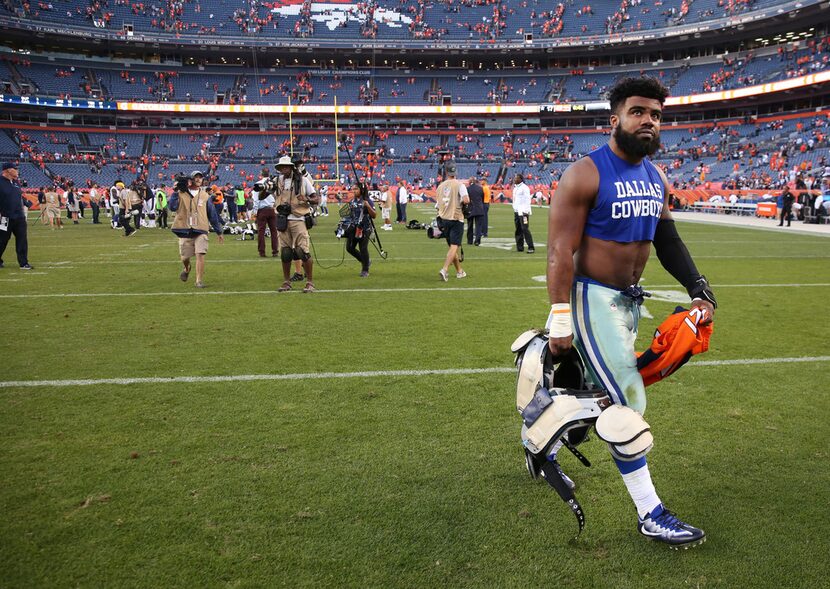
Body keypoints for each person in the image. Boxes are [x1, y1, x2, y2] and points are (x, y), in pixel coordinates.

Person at [545, 77, 716, 549]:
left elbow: (667, 241)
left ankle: (541, 440)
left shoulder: (656, 178)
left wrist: (697, 285)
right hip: (592, 297)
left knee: (587, 393)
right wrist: (561, 314)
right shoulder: (585, 173)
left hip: (629, 300)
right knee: (628, 402)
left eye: (656, 115)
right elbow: (560, 249)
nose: (649, 121)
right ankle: (650, 512)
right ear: (614, 119)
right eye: (639, 111)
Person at [168, 170, 224, 288]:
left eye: (200, 177)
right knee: (185, 257)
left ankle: (198, 280)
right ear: (191, 180)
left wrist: (219, 231)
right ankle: (187, 268)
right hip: (184, 228)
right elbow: (172, 207)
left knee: (200, 254)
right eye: (196, 177)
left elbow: (212, 214)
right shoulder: (180, 193)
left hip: (201, 228)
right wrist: (175, 192)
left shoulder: (205, 195)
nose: (199, 179)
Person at [273, 156, 319, 293]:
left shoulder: (303, 180)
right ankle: (286, 281)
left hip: (298, 218)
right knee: (285, 252)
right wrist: (264, 188)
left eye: (287, 166)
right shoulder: (276, 181)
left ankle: (310, 282)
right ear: (279, 168)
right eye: (282, 167)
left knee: (302, 252)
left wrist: (307, 199)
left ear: (292, 167)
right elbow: (264, 194)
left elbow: (316, 198)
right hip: (283, 219)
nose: (284, 169)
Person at [435, 162, 469, 281]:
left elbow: (437, 205)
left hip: (443, 218)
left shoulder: (440, 186)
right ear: (456, 173)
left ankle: (460, 271)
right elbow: (466, 200)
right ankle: (444, 269)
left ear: (446, 172)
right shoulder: (460, 185)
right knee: (454, 246)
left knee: (452, 247)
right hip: (455, 218)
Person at [0, 162, 33, 270]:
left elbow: (18, 197)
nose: (17, 171)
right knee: (2, 239)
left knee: (22, 239)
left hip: (19, 216)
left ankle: (23, 263)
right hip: (4, 217)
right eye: (15, 169)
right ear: (8, 170)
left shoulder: (16, 183)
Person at [344, 183, 377, 277]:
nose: (354, 191)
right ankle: (366, 261)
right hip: (354, 228)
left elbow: (374, 215)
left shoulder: (367, 201)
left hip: (365, 228)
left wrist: (368, 206)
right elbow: (350, 214)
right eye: (353, 189)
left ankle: (365, 270)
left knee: (363, 248)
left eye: (356, 189)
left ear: (361, 190)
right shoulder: (352, 201)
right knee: (349, 248)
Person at [252, 170, 279, 258]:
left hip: (262, 210)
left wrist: (255, 212)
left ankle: (262, 252)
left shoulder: (258, 184)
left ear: (261, 174)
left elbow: (256, 200)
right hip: (271, 209)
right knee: (274, 231)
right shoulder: (273, 183)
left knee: (261, 232)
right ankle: (275, 251)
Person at [512, 173, 535, 253]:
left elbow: (527, 199)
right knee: (518, 229)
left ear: (521, 179)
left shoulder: (524, 188)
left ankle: (531, 247)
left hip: (523, 212)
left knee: (525, 228)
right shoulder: (515, 188)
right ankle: (520, 247)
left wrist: (526, 211)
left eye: (516, 178)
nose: (514, 179)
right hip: (517, 211)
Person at [466, 177, 485, 246]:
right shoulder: (480, 188)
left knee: (470, 226)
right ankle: (477, 241)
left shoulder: (467, 189)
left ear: (470, 181)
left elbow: (466, 199)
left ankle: (469, 241)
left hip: (470, 209)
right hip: (479, 209)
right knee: (478, 226)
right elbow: (482, 198)